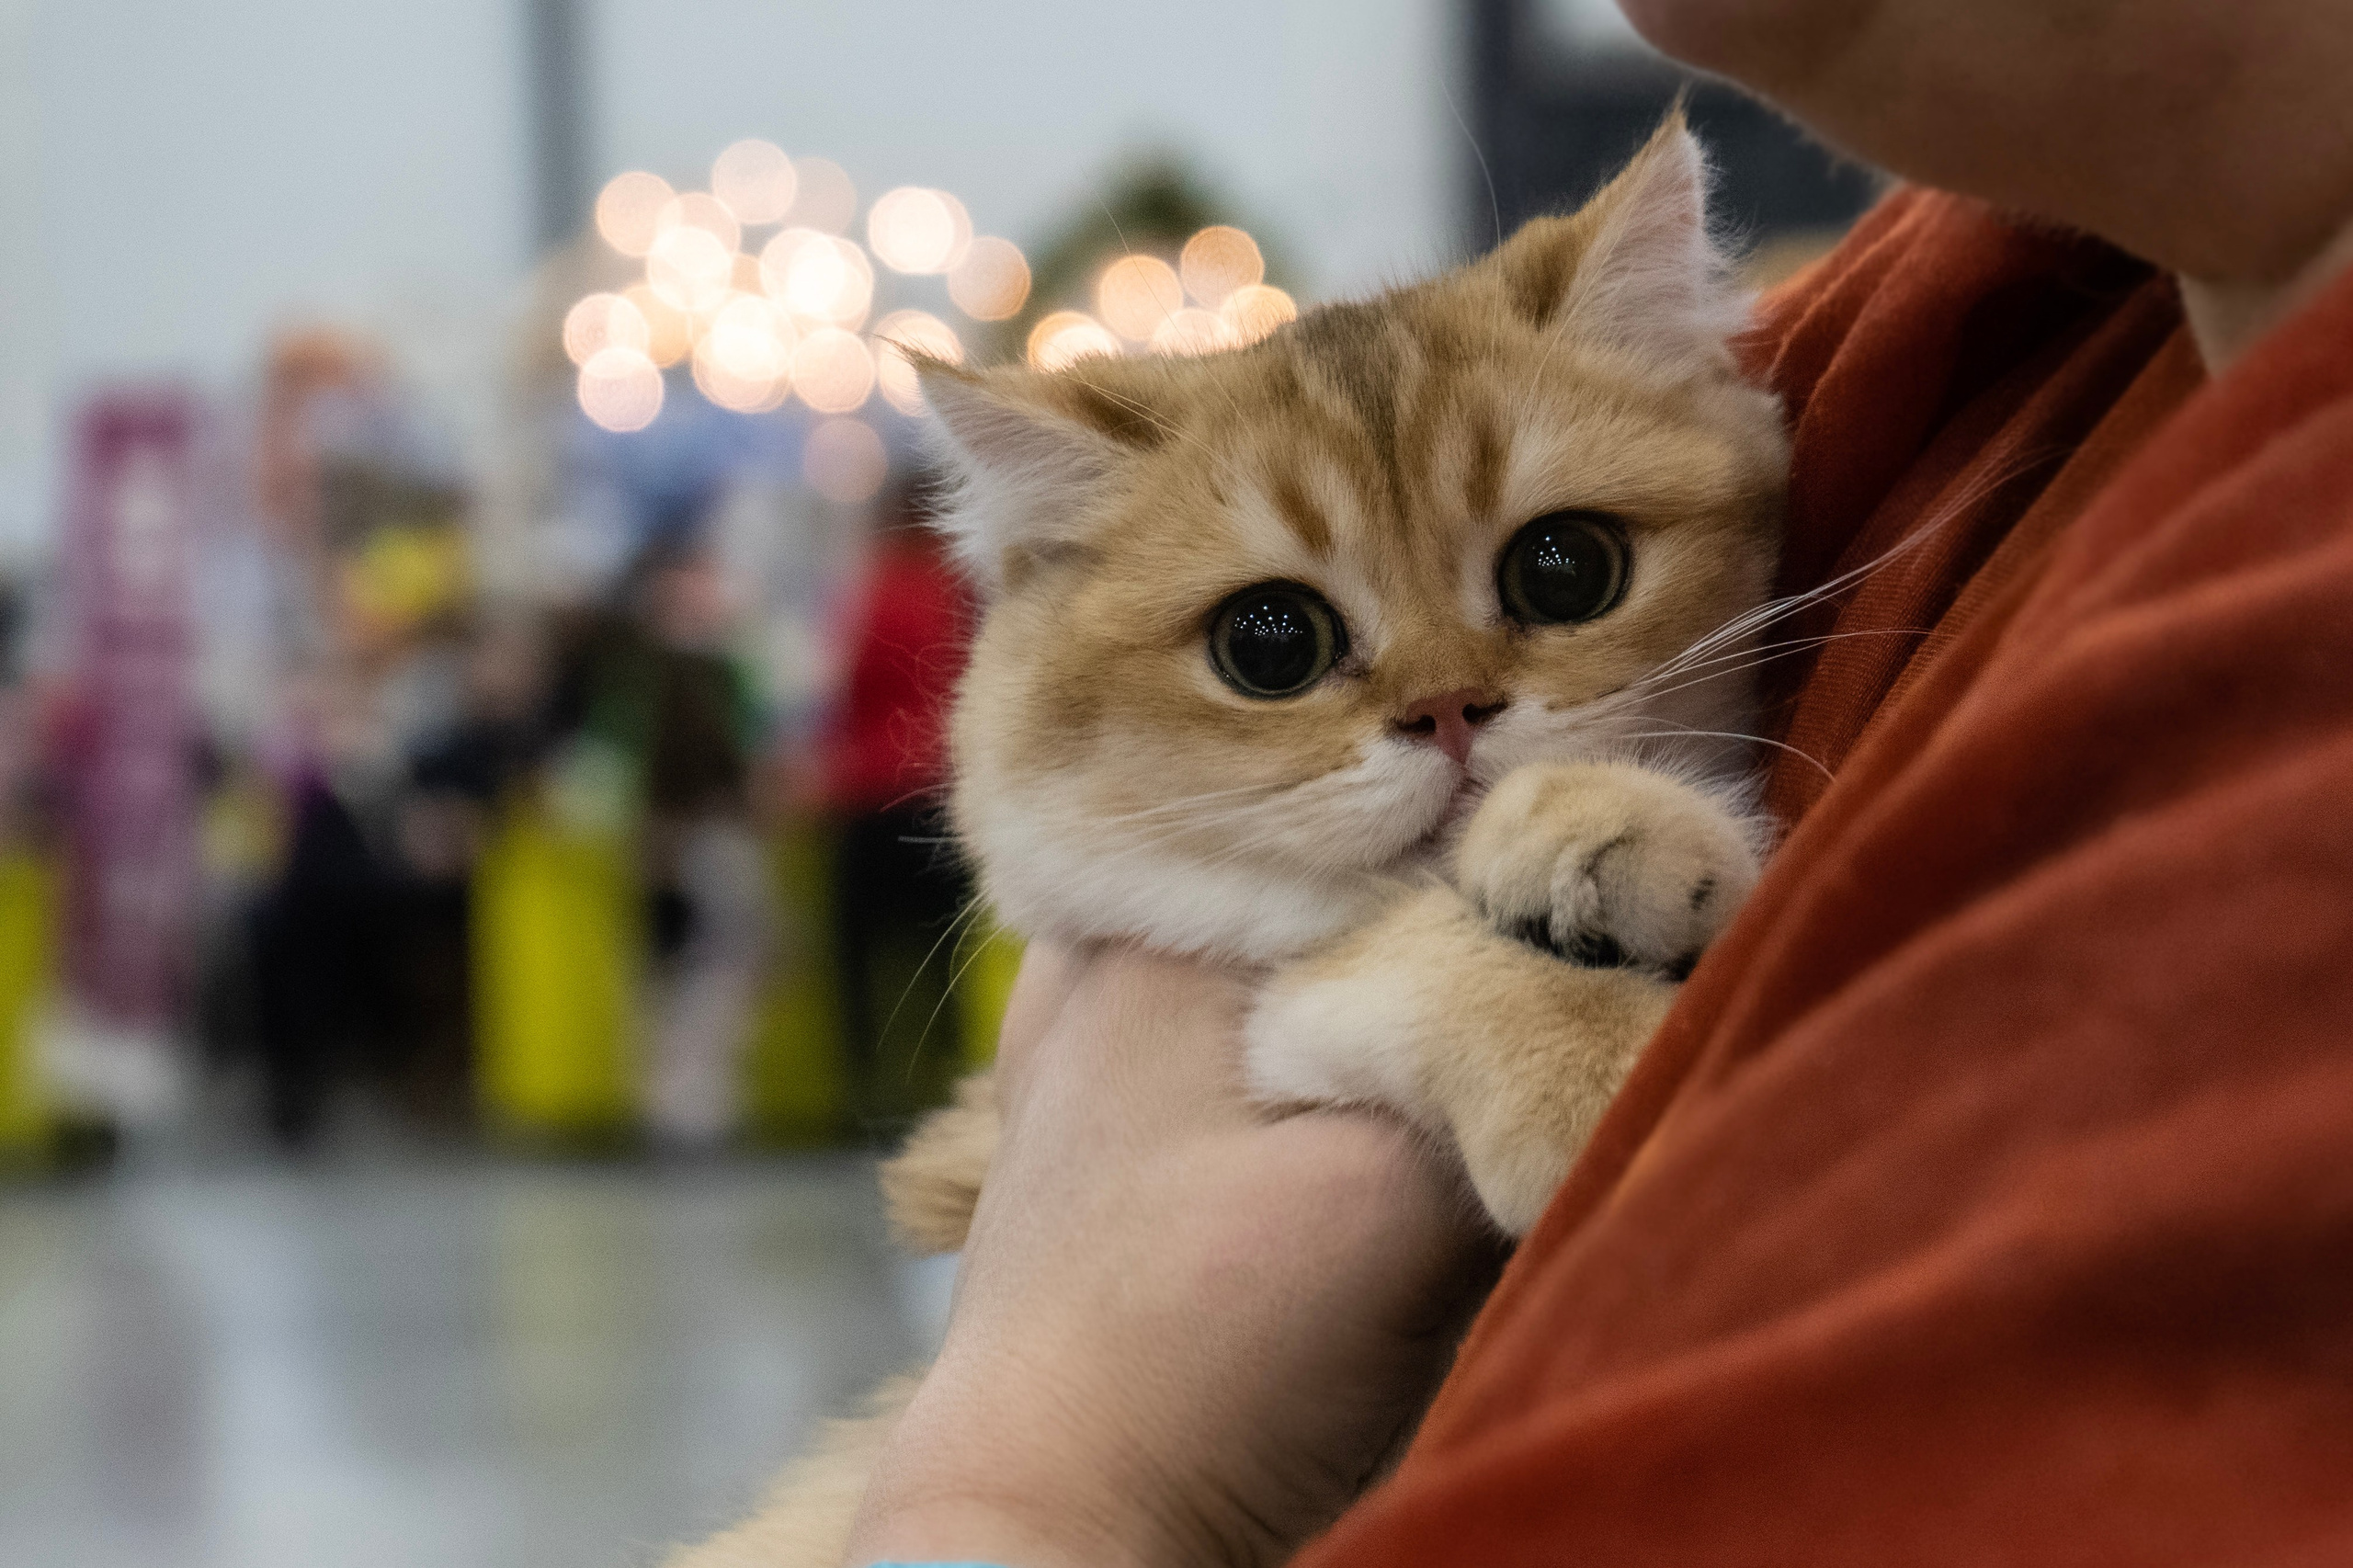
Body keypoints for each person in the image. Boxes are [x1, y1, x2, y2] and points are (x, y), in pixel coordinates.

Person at [843, 2, 2353, 1563]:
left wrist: (1033, 1481)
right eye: (1280, 641)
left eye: (1558, 569)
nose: (1445, 705)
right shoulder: (1957, 340)